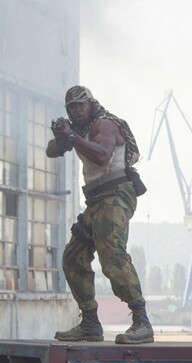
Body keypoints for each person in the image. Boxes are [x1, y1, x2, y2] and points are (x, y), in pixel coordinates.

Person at [47, 85, 153, 344]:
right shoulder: (80, 131)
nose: (76, 110)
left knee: (112, 256)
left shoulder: (104, 125)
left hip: (115, 196)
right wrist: (63, 136)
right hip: (95, 202)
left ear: (91, 104)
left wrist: (72, 138)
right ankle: (91, 324)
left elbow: (104, 156)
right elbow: (51, 151)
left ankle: (142, 321)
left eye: (80, 105)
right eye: (71, 107)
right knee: (73, 257)